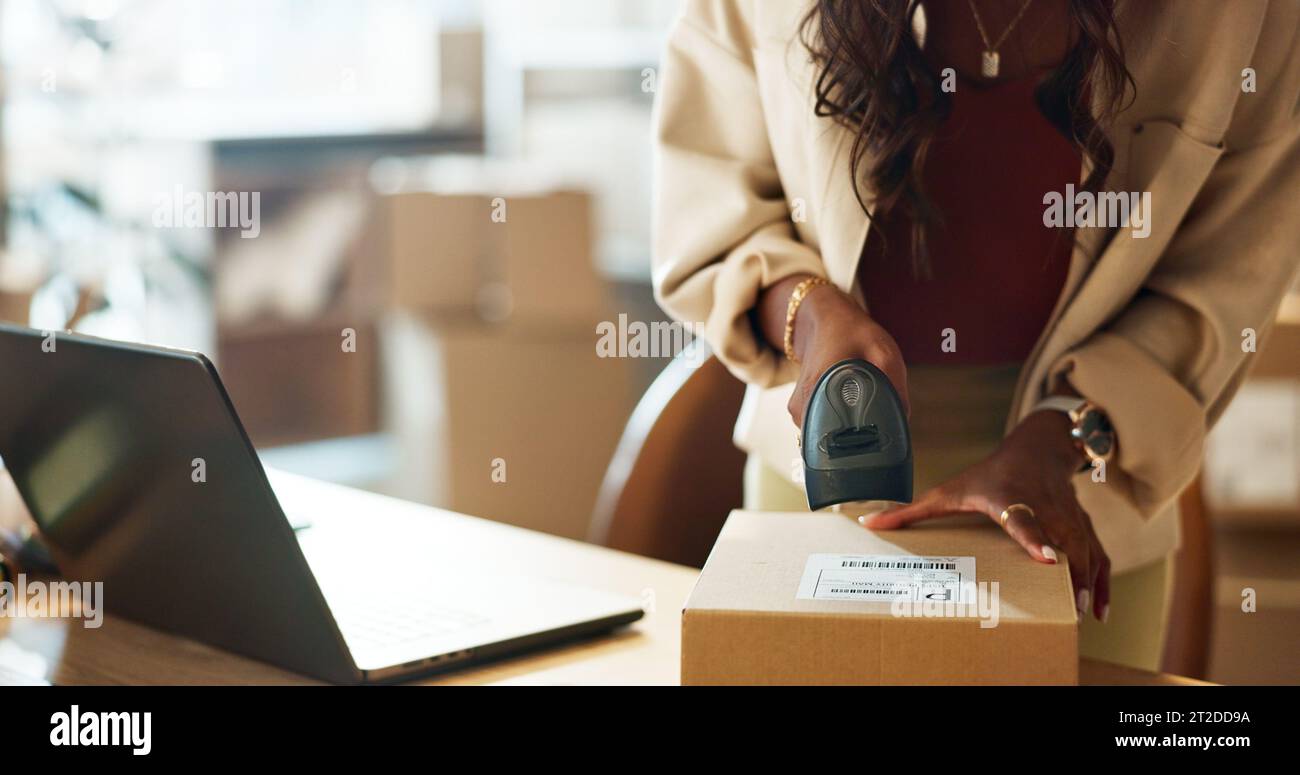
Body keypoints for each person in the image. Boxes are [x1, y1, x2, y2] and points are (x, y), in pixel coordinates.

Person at [651, 0, 1300, 671]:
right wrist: (810, 314)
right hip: (825, 480)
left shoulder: (1242, 17)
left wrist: (1059, 435)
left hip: (1072, 511)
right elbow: (710, 213)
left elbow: (1224, 279)